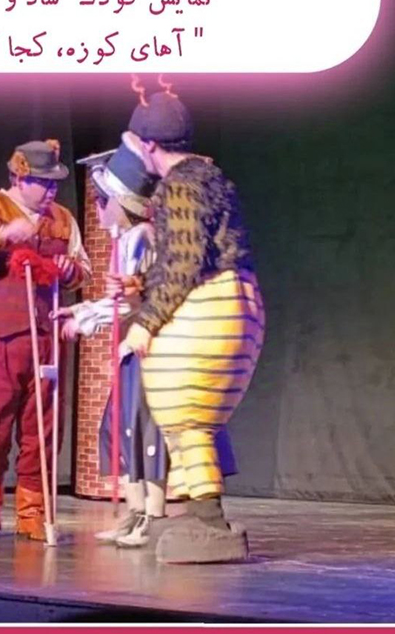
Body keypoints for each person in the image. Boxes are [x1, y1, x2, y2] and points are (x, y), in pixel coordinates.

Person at [57, 140, 237, 549]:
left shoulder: (141, 236)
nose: (99, 210)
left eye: (103, 201)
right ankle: (136, 513)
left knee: (148, 431)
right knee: (121, 429)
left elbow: (136, 301)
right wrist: (85, 311)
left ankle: (152, 516)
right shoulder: (128, 238)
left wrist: (85, 318)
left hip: (152, 346)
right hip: (135, 345)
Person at [112, 92, 265, 563]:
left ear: (148, 144)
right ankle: (203, 513)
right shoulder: (211, 176)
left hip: (210, 304)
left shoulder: (178, 186)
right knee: (190, 419)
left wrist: (145, 323)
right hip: (241, 301)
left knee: (184, 413)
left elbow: (183, 261)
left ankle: (210, 522)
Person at [0, 140, 91, 540]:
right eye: (43, 182)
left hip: (43, 338)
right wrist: (4, 234)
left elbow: (83, 268)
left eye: (55, 183)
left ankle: (32, 512)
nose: (51, 190)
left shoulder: (62, 220)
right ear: (18, 177)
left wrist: (70, 270)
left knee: (42, 428)